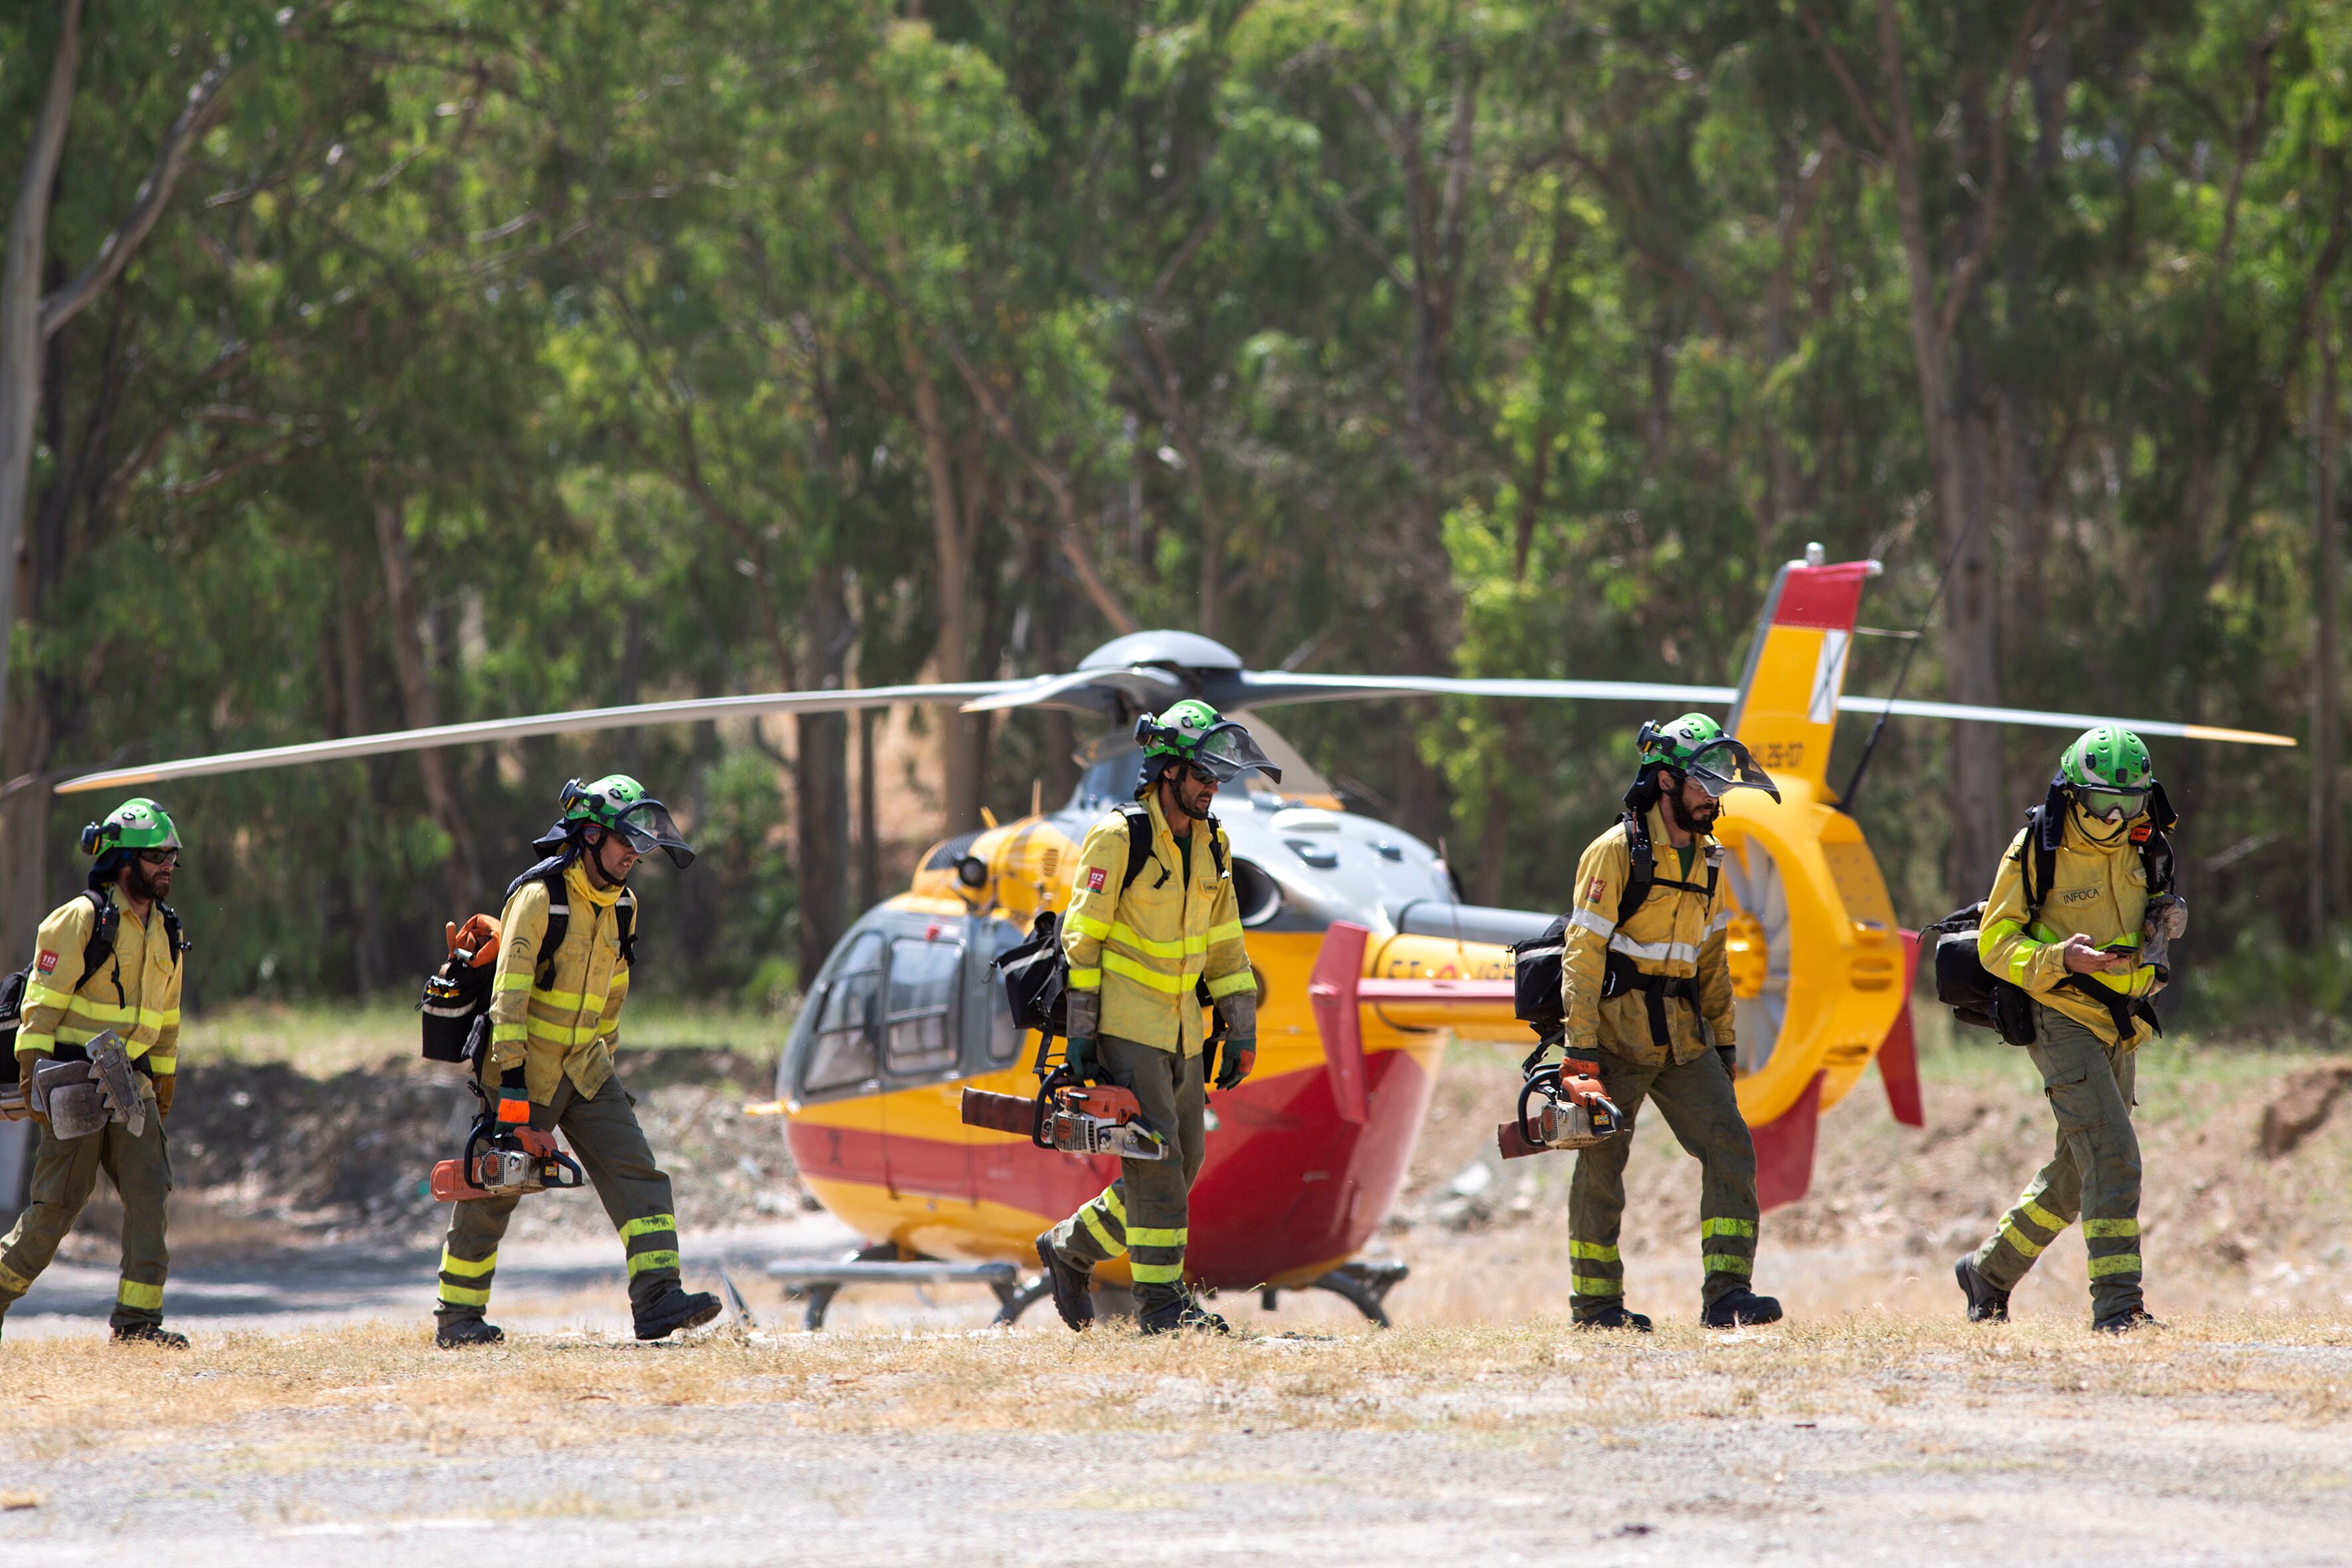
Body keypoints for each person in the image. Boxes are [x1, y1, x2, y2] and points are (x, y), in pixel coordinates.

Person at [433, 775, 721, 1348]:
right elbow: (508, 1002)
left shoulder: (623, 907)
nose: (635, 856)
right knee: (495, 1194)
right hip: (522, 1074)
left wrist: (606, 1069)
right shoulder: (538, 899)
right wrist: (512, 1097)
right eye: (626, 842)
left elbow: (611, 1000)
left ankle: (659, 1299)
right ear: (590, 835)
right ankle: (459, 1319)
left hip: (586, 1071)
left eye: (642, 846)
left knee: (639, 1172)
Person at [1033, 700, 1275, 1334]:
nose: (1211, 788)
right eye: (1201, 775)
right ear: (1167, 771)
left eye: (1218, 777)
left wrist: (1240, 1028)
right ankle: (1162, 1310)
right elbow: (1081, 944)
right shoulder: (1119, 838)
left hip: (1185, 1034)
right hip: (1127, 1029)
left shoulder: (1214, 842)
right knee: (1159, 1168)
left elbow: (1226, 946)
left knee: (1182, 1163)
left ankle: (1069, 1247)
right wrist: (1083, 1037)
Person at [1558, 715, 1784, 1331]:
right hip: (1613, 1042)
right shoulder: (1614, 853)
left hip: (1684, 1041)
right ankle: (1597, 1309)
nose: (1714, 796)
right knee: (1601, 1169)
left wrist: (1726, 1042)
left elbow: (1711, 959)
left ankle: (1728, 1296)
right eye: (1704, 782)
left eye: (1720, 785)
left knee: (1730, 1147)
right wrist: (1579, 1056)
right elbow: (1582, 954)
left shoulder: (1709, 859)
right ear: (1665, 782)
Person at [1956, 726, 2180, 1334]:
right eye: (2102, 800)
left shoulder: (2144, 844)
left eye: (2129, 802)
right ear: (2073, 792)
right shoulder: (2037, 846)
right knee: (2112, 1155)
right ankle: (2116, 1306)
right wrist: (2061, 960)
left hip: (2120, 1021)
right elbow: (1994, 944)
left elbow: (2153, 912)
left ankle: (1987, 1274)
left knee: (2076, 1172)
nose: (2114, 816)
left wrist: (2163, 925)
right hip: (2058, 1015)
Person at [0, 799, 189, 1345]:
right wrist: (33, 1073)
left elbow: (168, 1021)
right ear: (123, 860)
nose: (167, 867)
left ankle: (137, 1325)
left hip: (134, 1085)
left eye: (172, 857)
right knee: (55, 1212)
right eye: (156, 856)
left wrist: (165, 1082)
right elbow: (39, 1008)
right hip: (72, 1084)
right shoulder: (81, 920)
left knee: (150, 1195)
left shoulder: (167, 932)